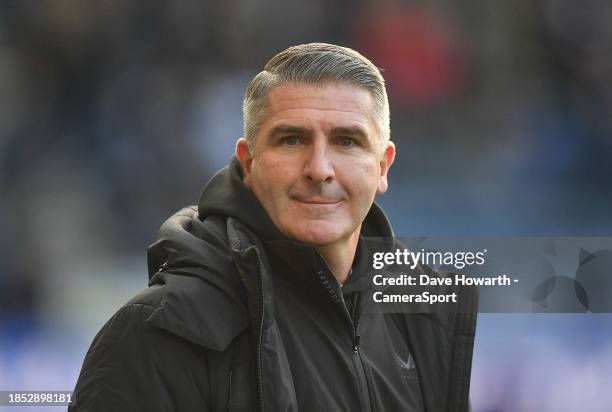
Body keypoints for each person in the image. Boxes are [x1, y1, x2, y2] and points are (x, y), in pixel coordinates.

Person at [70, 43, 477, 411]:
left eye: (346, 142)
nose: (319, 169)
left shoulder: (423, 319)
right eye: (292, 140)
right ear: (248, 163)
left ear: (383, 167)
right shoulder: (157, 331)